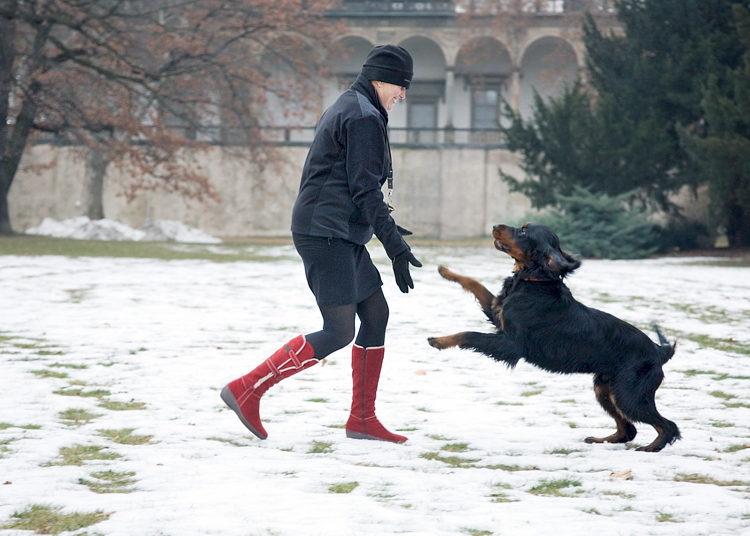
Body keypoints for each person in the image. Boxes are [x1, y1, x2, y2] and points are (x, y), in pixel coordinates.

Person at [221, 44, 422, 444]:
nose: (403, 94)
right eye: (401, 85)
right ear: (381, 78)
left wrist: (388, 232)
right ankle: (247, 389)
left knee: (376, 313)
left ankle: (362, 420)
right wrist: (394, 243)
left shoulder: (355, 105)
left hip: (338, 230)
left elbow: (352, 184)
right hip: (325, 233)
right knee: (338, 330)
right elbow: (365, 191)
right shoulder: (363, 116)